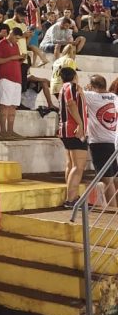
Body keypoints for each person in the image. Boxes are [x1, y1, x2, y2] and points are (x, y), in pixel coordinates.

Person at [84, 74, 118, 205]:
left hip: (99, 142)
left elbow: (75, 94)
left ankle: (113, 210)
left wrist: (87, 90)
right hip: (112, 141)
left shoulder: (91, 96)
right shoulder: (114, 97)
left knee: (106, 179)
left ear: (93, 86)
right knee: (115, 177)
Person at [59, 67, 89, 211]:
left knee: (71, 164)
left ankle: (73, 197)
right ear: (75, 76)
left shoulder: (63, 87)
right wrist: (80, 124)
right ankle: (71, 199)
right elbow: (71, 104)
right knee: (78, 166)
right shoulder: (72, 86)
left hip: (66, 129)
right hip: (74, 129)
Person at [0, 24, 25, 139]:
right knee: (5, 105)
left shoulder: (15, 45)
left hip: (17, 77)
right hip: (5, 77)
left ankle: (10, 131)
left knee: (13, 106)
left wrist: (20, 59)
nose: (17, 40)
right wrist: (12, 58)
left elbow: (14, 61)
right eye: (16, 38)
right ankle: (3, 131)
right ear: (11, 34)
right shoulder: (1, 44)